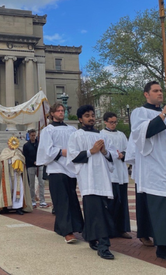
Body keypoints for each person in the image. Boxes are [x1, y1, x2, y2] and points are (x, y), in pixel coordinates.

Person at [124, 81, 166, 262]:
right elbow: (141, 134)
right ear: (146, 94)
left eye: (161, 90)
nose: (160, 93)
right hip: (153, 168)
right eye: (155, 91)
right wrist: (163, 115)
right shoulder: (140, 112)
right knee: (161, 210)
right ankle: (161, 248)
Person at [68, 106, 116, 260]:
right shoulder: (76, 135)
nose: (91, 118)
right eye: (87, 115)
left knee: (99, 213)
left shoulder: (103, 136)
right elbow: (73, 156)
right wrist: (91, 151)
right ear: (80, 119)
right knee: (95, 213)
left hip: (103, 179)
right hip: (88, 180)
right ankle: (104, 246)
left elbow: (111, 156)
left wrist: (104, 152)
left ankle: (91, 237)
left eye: (93, 115)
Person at [37, 102, 84, 244]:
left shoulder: (71, 129)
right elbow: (46, 150)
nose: (61, 113)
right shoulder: (48, 130)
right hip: (56, 168)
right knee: (61, 201)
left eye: (62, 110)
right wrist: (61, 152)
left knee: (71, 199)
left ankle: (65, 226)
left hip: (70, 169)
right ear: (52, 114)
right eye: (58, 111)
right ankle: (67, 231)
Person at [0, 136, 33, 216]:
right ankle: (5, 207)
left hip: (17, 175)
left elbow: (23, 160)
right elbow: (2, 159)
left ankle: (18, 207)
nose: (11, 145)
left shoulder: (18, 152)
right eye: (10, 143)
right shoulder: (5, 151)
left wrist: (17, 159)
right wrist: (12, 159)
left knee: (18, 190)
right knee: (6, 189)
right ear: (8, 143)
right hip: (7, 174)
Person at [23, 129, 42, 208]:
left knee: (41, 183)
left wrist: (39, 161)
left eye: (34, 135)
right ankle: (32, 200)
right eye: (32, 135)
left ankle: (42, 200)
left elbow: (42, 153)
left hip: (39, 165)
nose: (33, 137)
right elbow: (25, 156)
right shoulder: (26, 145)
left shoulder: (39, 144)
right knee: (32, 184)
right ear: (29, 135)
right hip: (30, 165)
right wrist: (33, 161)